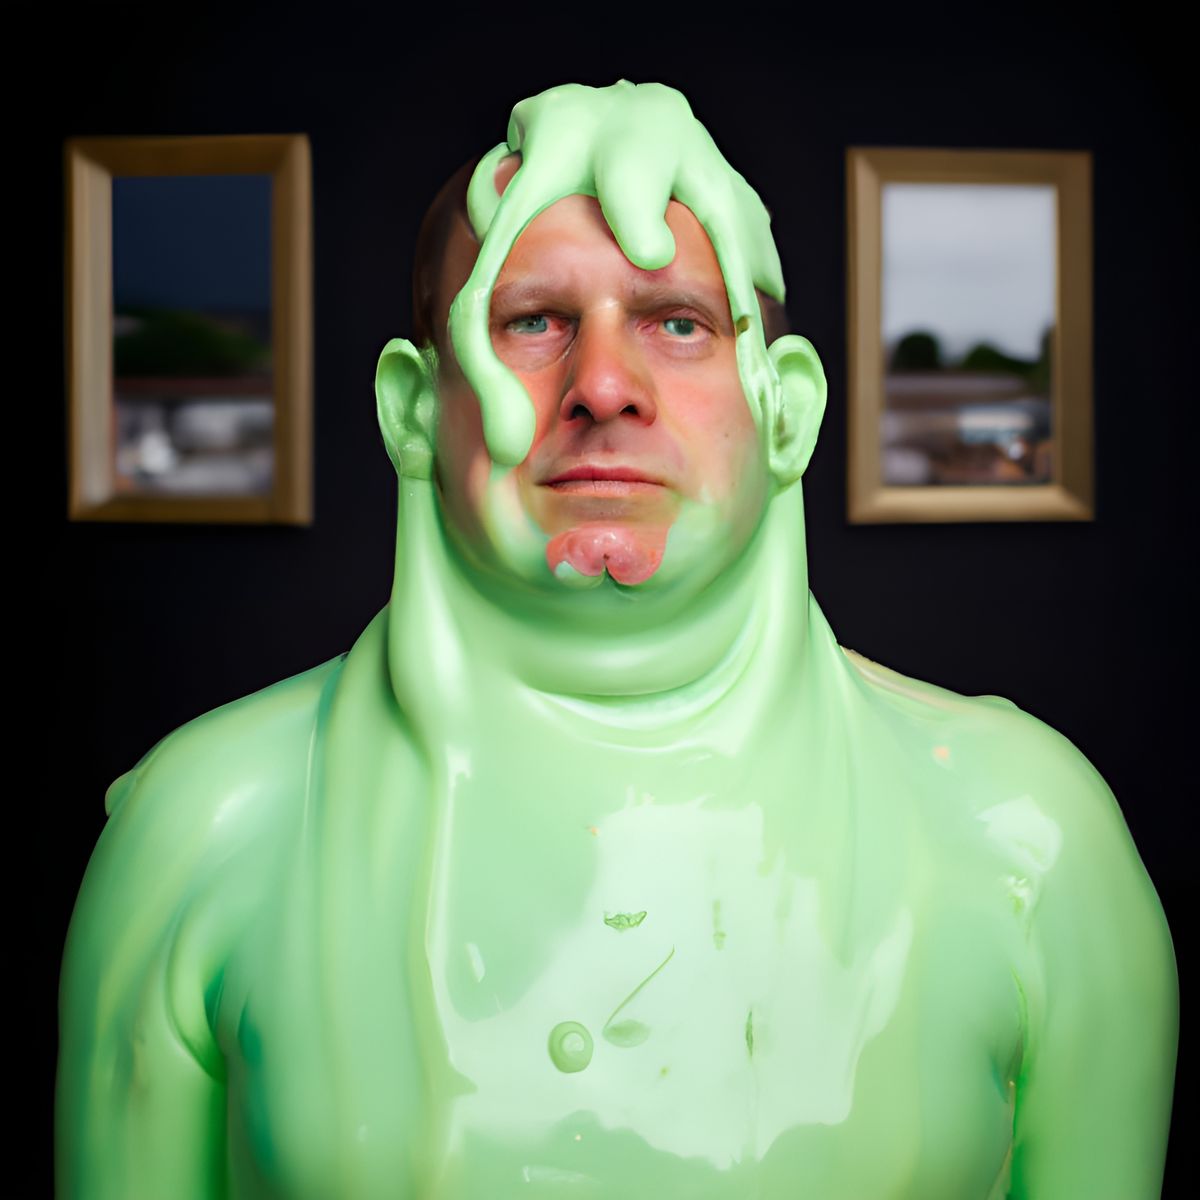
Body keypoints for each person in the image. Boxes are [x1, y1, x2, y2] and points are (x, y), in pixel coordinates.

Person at [57, 82, 1177, 1199]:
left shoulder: (1030, 842)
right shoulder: (203, 830)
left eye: (678, 323)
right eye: (532, 321)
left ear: (787, 411)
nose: (602, 386)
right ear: (412, 410)